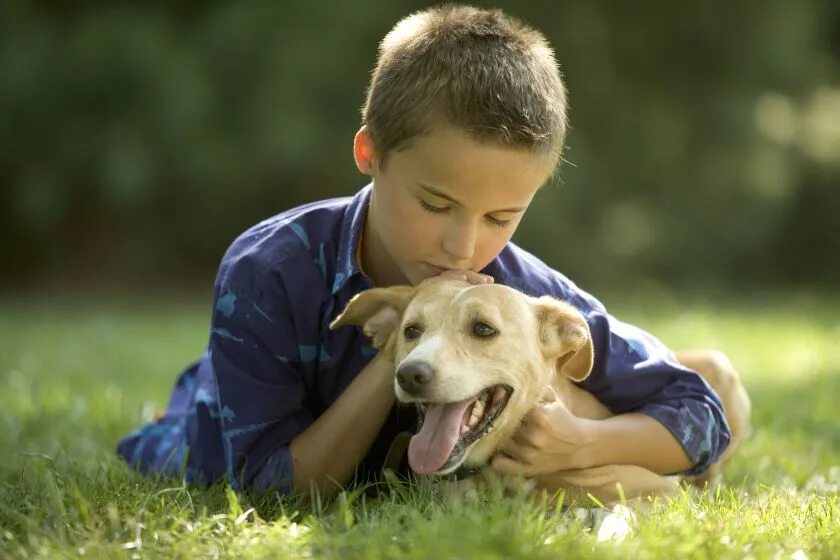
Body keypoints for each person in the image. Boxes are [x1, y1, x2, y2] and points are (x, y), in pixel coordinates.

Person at [117, 5, 730, 497]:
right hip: (213, 418)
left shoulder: (522, 293)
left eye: (501, 217)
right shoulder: (267, 270)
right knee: (180, 444)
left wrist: (582, 444)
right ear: (370, 155)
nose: (463, 245)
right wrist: (412, 338)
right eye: (436, 205)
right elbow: (270, 486)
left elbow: (700, 413)